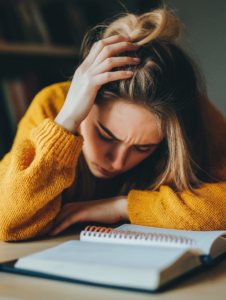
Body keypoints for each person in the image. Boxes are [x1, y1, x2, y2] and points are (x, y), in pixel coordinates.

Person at [1, 7, 226, 242]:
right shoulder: (53, 106)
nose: (117, 162)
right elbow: (7, 221)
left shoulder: (186, 112)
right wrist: (66, 121)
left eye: (143, 148)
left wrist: (123, 207)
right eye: (106, 135)